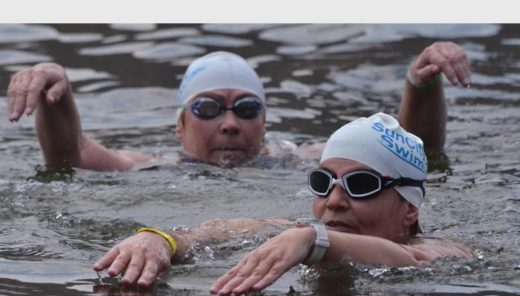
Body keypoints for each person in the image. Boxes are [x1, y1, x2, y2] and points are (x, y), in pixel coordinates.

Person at [93, 112, 474, 295]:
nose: (334, 201)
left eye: (361, 185)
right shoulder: (293, 233)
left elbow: (409, 259)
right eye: (323, 183)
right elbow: (207, 235)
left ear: (409, 210)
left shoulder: (446, 251)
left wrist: (315, 240)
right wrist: (159, 240)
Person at [6, 42, 470, 170]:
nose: (230, 124)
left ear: (265, 123)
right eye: (209, 109)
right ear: (179, 125)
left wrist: (420, 84)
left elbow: (410, 151)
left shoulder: (299, 161)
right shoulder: (148, 167)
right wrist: (55, 87)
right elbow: (70, 155)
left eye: (246, 109)